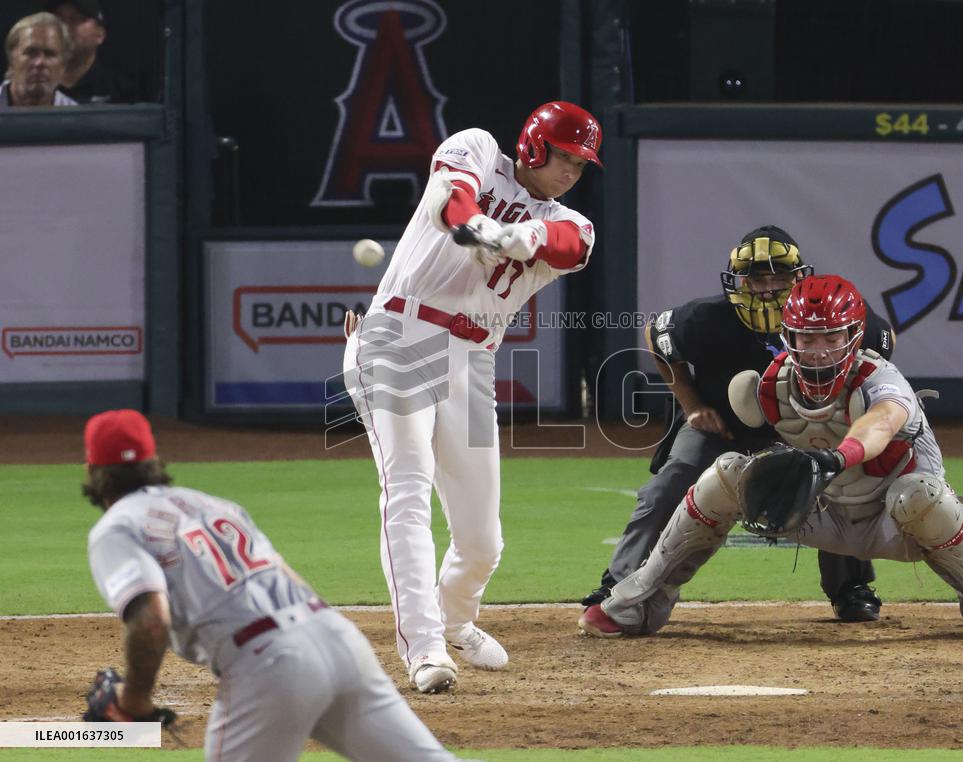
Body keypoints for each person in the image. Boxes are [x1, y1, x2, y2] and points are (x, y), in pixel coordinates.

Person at [343, 101, 602, 693]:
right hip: (398, 333)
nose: (569, 170)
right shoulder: (480, 147)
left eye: (581, 163)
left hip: (473, 359)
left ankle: (456, 618)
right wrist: (479, 227)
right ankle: (425, 647)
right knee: (406, 488)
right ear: (535, 145)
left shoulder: (576, 222)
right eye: (563, 156)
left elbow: (563, 245)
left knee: (482, 540)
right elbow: (449, 203)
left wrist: (513, 237)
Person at [579, 275, 963, 638]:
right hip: (823, 515)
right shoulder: (770, 385)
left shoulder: (882, 378)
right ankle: (638, 601)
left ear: (854, 336)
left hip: (898, 526)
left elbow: (881, 425)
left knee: (919, 493)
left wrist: (835, 459)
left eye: (831, 338)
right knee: (724, 474)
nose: (818, 350)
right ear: (789, 337)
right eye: (806, 338)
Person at [84, 409, 458, 761]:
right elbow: (288, 575)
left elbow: (151, 619)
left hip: (268, 665)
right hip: (339, 639)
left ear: (93, 470)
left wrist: (132, 700)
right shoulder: (213, 504)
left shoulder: (117, 527)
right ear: (153, 462)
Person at [581, 226, 895, 622]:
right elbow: (655, 334)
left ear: (799, 277)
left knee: (837, 482)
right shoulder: (706, 318)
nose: (766, 288)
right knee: (670, 482)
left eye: (778, 276)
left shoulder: (828, 311)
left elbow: (884, 342)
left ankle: (852, 587)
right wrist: (692, 406)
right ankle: (619, 582)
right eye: (756, 278)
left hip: (806, 426)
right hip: (721, 429)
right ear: (738, 281)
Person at [44, 0, 136, 104]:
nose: (64, 27)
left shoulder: (121, 91)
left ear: (100, 35)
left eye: (76, 19)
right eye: (58, 20)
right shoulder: (34, 87)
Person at [0, 12, 76, 108]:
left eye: (50, 54)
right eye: (31, 52)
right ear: (11, 60)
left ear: (63, 66)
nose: (40, 63)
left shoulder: (77, 118)